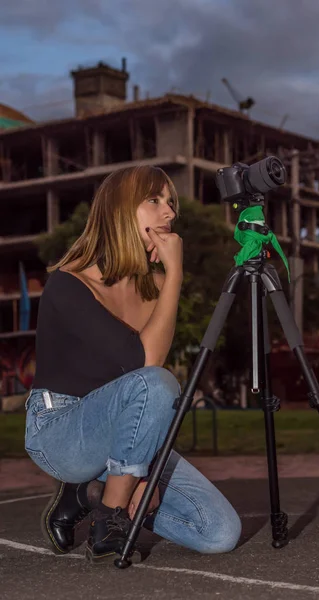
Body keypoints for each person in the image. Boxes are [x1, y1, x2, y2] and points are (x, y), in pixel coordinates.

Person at [25, 165, 242, 563]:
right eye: (155, 200)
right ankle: (109, 520)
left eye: (171, 203)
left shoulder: (155, 286)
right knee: (157, 381)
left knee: (220, 532)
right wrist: (175, 272)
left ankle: (93, 494)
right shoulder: (70, 283)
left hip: (127, 432)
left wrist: (170, 276)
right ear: (120, 210)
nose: (170, 213)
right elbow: (146, 367)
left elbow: (147, 387)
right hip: (60, 431)